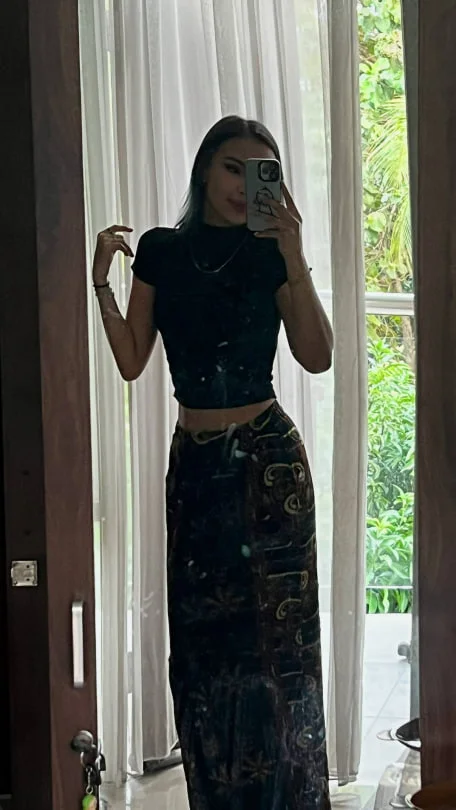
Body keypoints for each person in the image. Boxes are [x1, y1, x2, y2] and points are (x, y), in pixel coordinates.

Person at [92, 115, 333, 810]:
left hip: (268, 464)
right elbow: (132, 360)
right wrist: (102, 285)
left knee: (280, 650)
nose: (242, 184)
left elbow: (317, 356)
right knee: (203, 653)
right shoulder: (162, 251)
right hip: (196, 470)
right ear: (205, 170)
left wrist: (294, 253)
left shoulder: (270, 254)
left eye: (261, 172)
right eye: (233, 167)